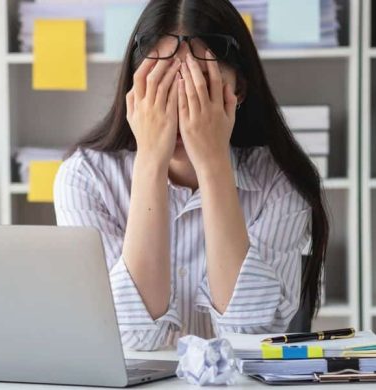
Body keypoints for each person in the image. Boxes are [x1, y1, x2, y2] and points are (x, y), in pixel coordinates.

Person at [53, 0, 329, 351]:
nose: (182, 111)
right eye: (162, 88)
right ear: (135, 92)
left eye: (202, 89)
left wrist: (213, 162)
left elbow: (250, 334)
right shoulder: (85, 178)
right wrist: (151, 159)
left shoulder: (279, 181)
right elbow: (133, 338)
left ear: (238, 90)